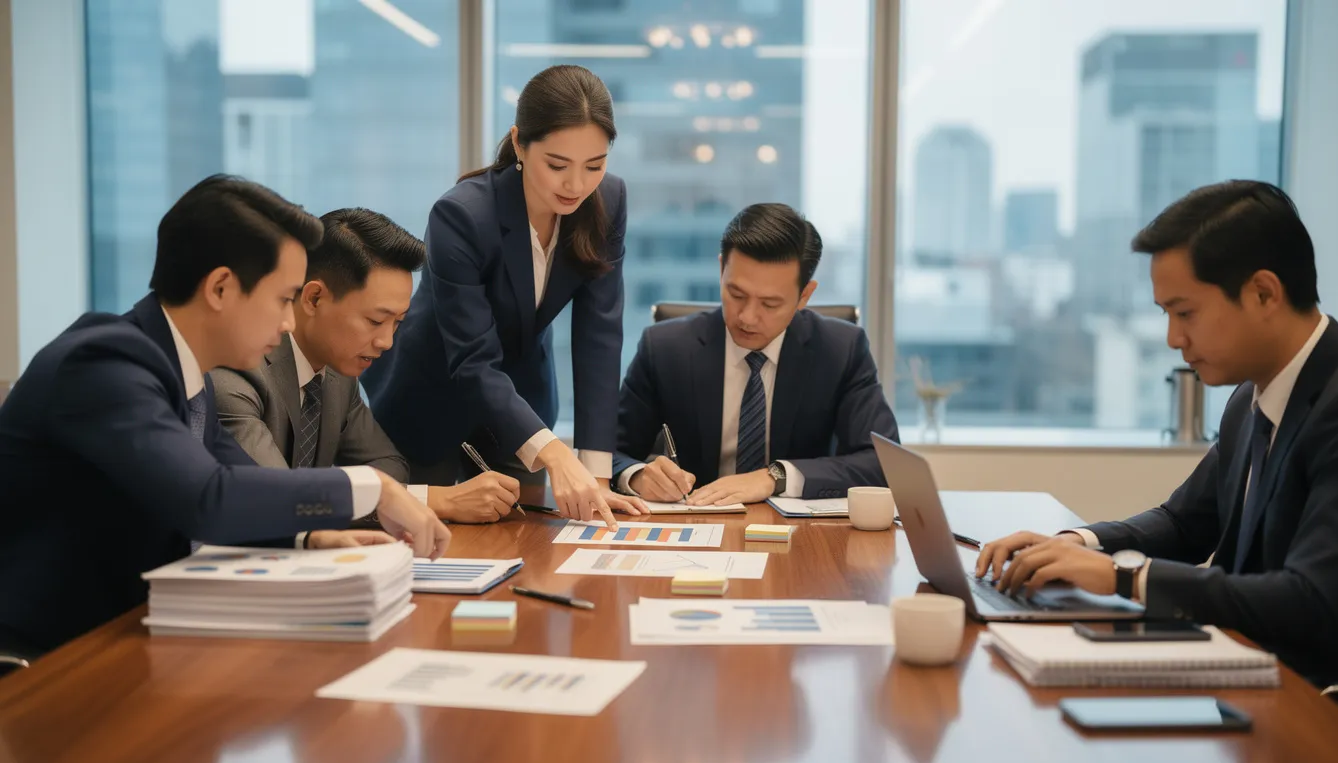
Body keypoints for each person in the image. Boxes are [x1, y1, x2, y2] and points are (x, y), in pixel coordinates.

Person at [0, 175, 451, 659]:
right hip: (43, 658)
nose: (287, 322)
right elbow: (206, 495)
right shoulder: (106, 362)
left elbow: (239, 480)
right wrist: (373, 486)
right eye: (282, 298)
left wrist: (309, 537)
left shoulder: (184, 371)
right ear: (220, 288)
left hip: (127, 636)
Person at [975, 180, 1338, 687]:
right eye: (1166, 315)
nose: (1174, 339)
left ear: (1264, 293)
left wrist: (1126, 578)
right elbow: (1184, 523)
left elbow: (1313, 598)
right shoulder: (1251, 398)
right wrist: (1079, 544)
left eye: (1185, 312)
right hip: (1251, 688)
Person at [362, 65, 647, 528]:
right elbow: (472, 359)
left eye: (594, 165)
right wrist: (554, 452)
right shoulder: (462, 215)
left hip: (522, 403)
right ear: (519, 142)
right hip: (431, 394)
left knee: (524, 537)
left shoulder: (607, 201)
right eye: (557, 165)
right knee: (431, 541)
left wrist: (595, 475)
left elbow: (599, 337)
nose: (576, 185)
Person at [211, 208, 521, 526]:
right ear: (314, 298)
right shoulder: (237, 369)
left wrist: (384, 494)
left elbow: (389, 464)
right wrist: (429, 499)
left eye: (397, 322)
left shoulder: (336, 374)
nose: (386, 342)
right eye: (375, 321)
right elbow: (277, 496)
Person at [612, 203, 901, 505]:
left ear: (804, 295)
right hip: (696, 521)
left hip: (801, 536)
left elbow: (882, 464)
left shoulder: (841, 350)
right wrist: (638, 476)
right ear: (721, 268)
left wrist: (774, 477)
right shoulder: (665, 347)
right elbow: (607, 452)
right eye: (736, 295)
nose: (747, 317)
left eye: (770, 304)